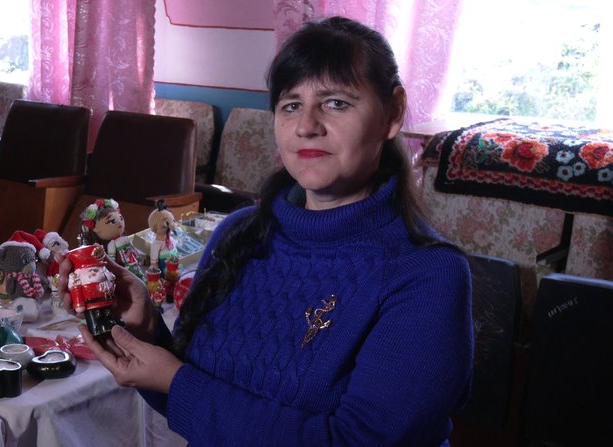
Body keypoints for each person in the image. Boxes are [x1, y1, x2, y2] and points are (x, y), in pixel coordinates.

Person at [65, 16, 473, 446]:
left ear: (392, 113)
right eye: (291, 105)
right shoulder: (239, 232)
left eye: (336, 103)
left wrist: (177, 382)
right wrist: (147, 327)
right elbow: (197, 400)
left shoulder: (427, 275)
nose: (306, 126)